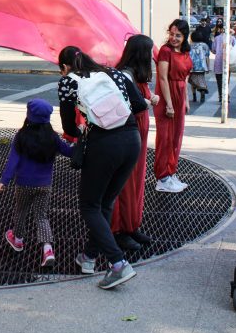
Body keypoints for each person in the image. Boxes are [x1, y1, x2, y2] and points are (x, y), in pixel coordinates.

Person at [57, 46, 147, 289]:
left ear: (65, 67)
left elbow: (68, 125)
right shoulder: (113, 73)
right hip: (132, 139)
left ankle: (118, 264)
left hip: (104, 144)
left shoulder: (68, 82)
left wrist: (83, 131)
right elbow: (140, 105)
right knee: (106, 202)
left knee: (89, 205)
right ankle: (88, 257)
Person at [0, 99, 72, 267]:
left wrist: (4, 180)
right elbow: (68, 151)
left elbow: (13, 160)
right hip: (44, 184)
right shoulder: (52, 137)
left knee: (21, 211)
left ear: (29, 116)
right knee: (41, 216)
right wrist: (83, 145)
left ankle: (17, 240)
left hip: (23, 184)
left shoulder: (21, 136)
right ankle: (47, 249)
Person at [113, 34, 160, 251]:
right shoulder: (125, 75)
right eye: (149, 53)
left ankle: (131, 225)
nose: (151, 57)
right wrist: (148, 101)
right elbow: (128, 105)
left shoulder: (133, 75)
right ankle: (120, 229)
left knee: (136, 180)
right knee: (126, 182)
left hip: (137, 130)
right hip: (130, 131)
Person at [153, 19, 193, 193]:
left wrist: (186, 100)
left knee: (176, 138)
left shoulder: (184, 51)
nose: (174, 38)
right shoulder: (165, 51)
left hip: (179, 95)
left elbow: (185, 78)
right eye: (171, 34)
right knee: (165, 138)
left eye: (178, 35)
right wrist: (169, 104)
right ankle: (162, 177)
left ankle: (170, 172)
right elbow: (162, 78)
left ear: (184, 36)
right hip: (167, 96)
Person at [211, 24, 236, 103]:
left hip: (218, 61)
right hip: (228, 61)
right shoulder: (232, 38)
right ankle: (226, 95)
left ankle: (220, 96)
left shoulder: (216, 38)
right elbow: (235, 49)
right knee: (226, 80)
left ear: (221, 29)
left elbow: (213, 50)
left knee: (219, 80)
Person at [188, 30, 210, 103]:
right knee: (201, 79)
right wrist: (208, 67)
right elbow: (207, 57)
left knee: (192, 80)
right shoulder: (205, 45)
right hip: (202, 67)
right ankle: (202, 90)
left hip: (192, 66)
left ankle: (194, 96)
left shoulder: (190, 45)